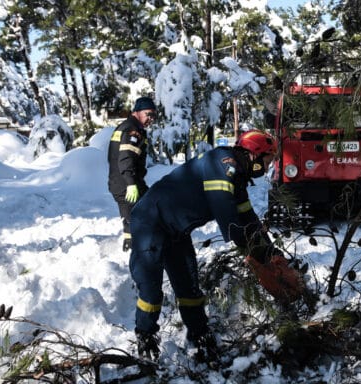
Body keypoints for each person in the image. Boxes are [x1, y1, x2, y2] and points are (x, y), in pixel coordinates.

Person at [128, 129, 283, 362]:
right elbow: (228, 217)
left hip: (176, 231)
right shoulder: (222, 165)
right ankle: (145, 338)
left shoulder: (237, 176)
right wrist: (252, 253)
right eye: (268, 159)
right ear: (255, 154)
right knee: (151, 291)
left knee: (189, 288)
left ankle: (200, 337)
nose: (268, 166)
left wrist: (270, 252)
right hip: (149, 222)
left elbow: (248, 218)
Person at [108, 96, 156, 252]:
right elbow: (126, 158)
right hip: (127, 183)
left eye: (153, 115)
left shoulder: (127, 126)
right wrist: (130, 184)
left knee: (132, 216)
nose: (151, 119)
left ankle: (132, 245)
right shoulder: (132, 130)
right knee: (143, 214)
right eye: (148, 114)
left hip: (123, 181)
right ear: (137, 112)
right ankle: (141, 250)